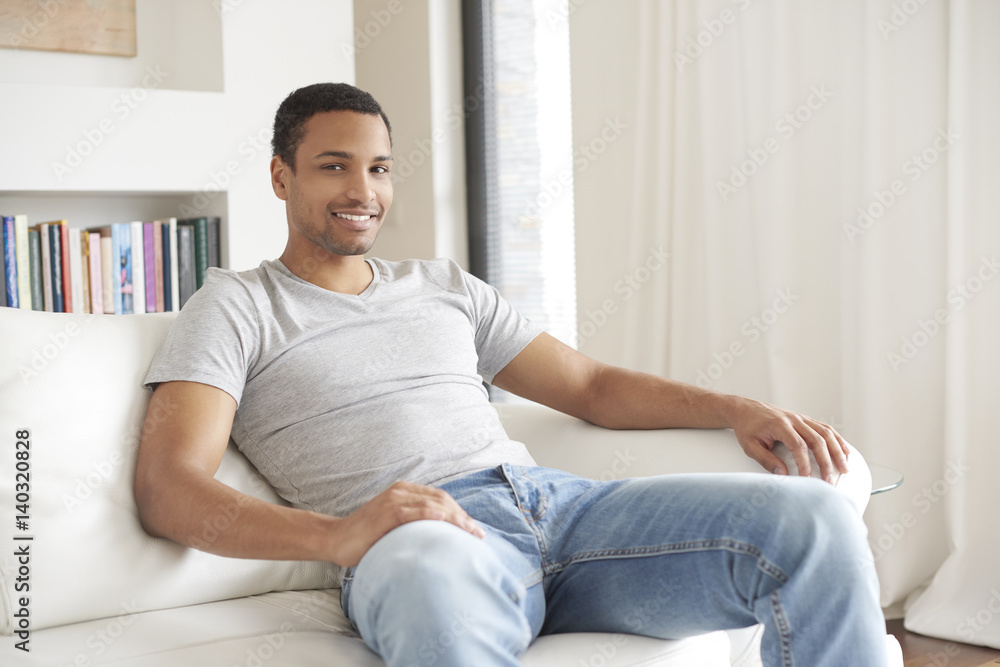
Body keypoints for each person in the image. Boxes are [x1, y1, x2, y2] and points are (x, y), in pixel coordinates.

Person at [135, 82, 887, 667]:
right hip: (433, 538)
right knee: (426, 566)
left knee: (813, 519)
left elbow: (590, 386)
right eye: (334, 166)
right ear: (280, 175)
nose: (362, 191)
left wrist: (733, 407)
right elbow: (168, 486)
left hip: (566, 511)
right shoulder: (235, 304)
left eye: (379, 168)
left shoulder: (442, 285)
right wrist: (340, 536)